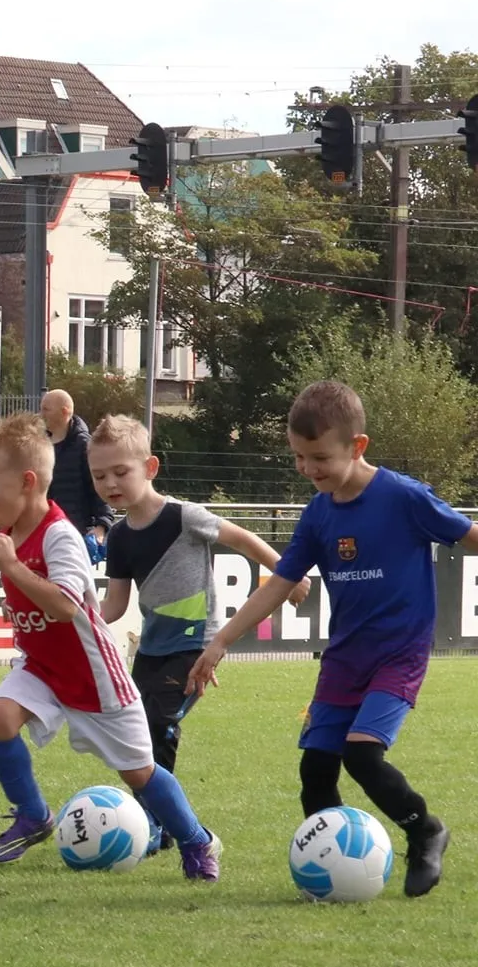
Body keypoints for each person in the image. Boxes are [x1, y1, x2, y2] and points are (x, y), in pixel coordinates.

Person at [190, 380, 468, 898]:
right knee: (316, 769)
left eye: (318, 457)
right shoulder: (318, 513)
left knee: (362, 755)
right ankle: (331, 869)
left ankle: (425, 830)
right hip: (344, 658)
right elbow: (278, 584)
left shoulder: (403, 497)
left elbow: (466, 533)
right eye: (298, 457)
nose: (308, 469)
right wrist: (222, 640)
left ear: (356, 446)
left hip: (399, 654)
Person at [0, 412, 219, 880]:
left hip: (93, 673)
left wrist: (16, 572)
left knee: (139, 773)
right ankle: (33, 815)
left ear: (26, 482)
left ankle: (196, 839)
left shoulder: (60, 535)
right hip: (43, 665)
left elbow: (66, 606)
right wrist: (17, 608)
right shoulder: (7, 533)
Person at [90, 414, 306, 850]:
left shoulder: (184, 517)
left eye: (120, 472)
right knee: (135, 740)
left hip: (195, 647)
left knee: (161, 725)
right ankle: (158, 825)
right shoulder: (118, 538)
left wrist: (289, 574)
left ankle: (159, 826)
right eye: (99, 475)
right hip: (150, 653)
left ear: (150, 468)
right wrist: (71, 617)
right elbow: (113, 605)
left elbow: (243, 538)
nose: (110, 483)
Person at [40, 390, 112, 562]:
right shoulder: (39, 444)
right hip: (43, 533)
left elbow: (98, 488)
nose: (41, 414)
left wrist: (101, 528)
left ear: (64, 412)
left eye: (46, 409)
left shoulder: (84, 446)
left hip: (75, 534)